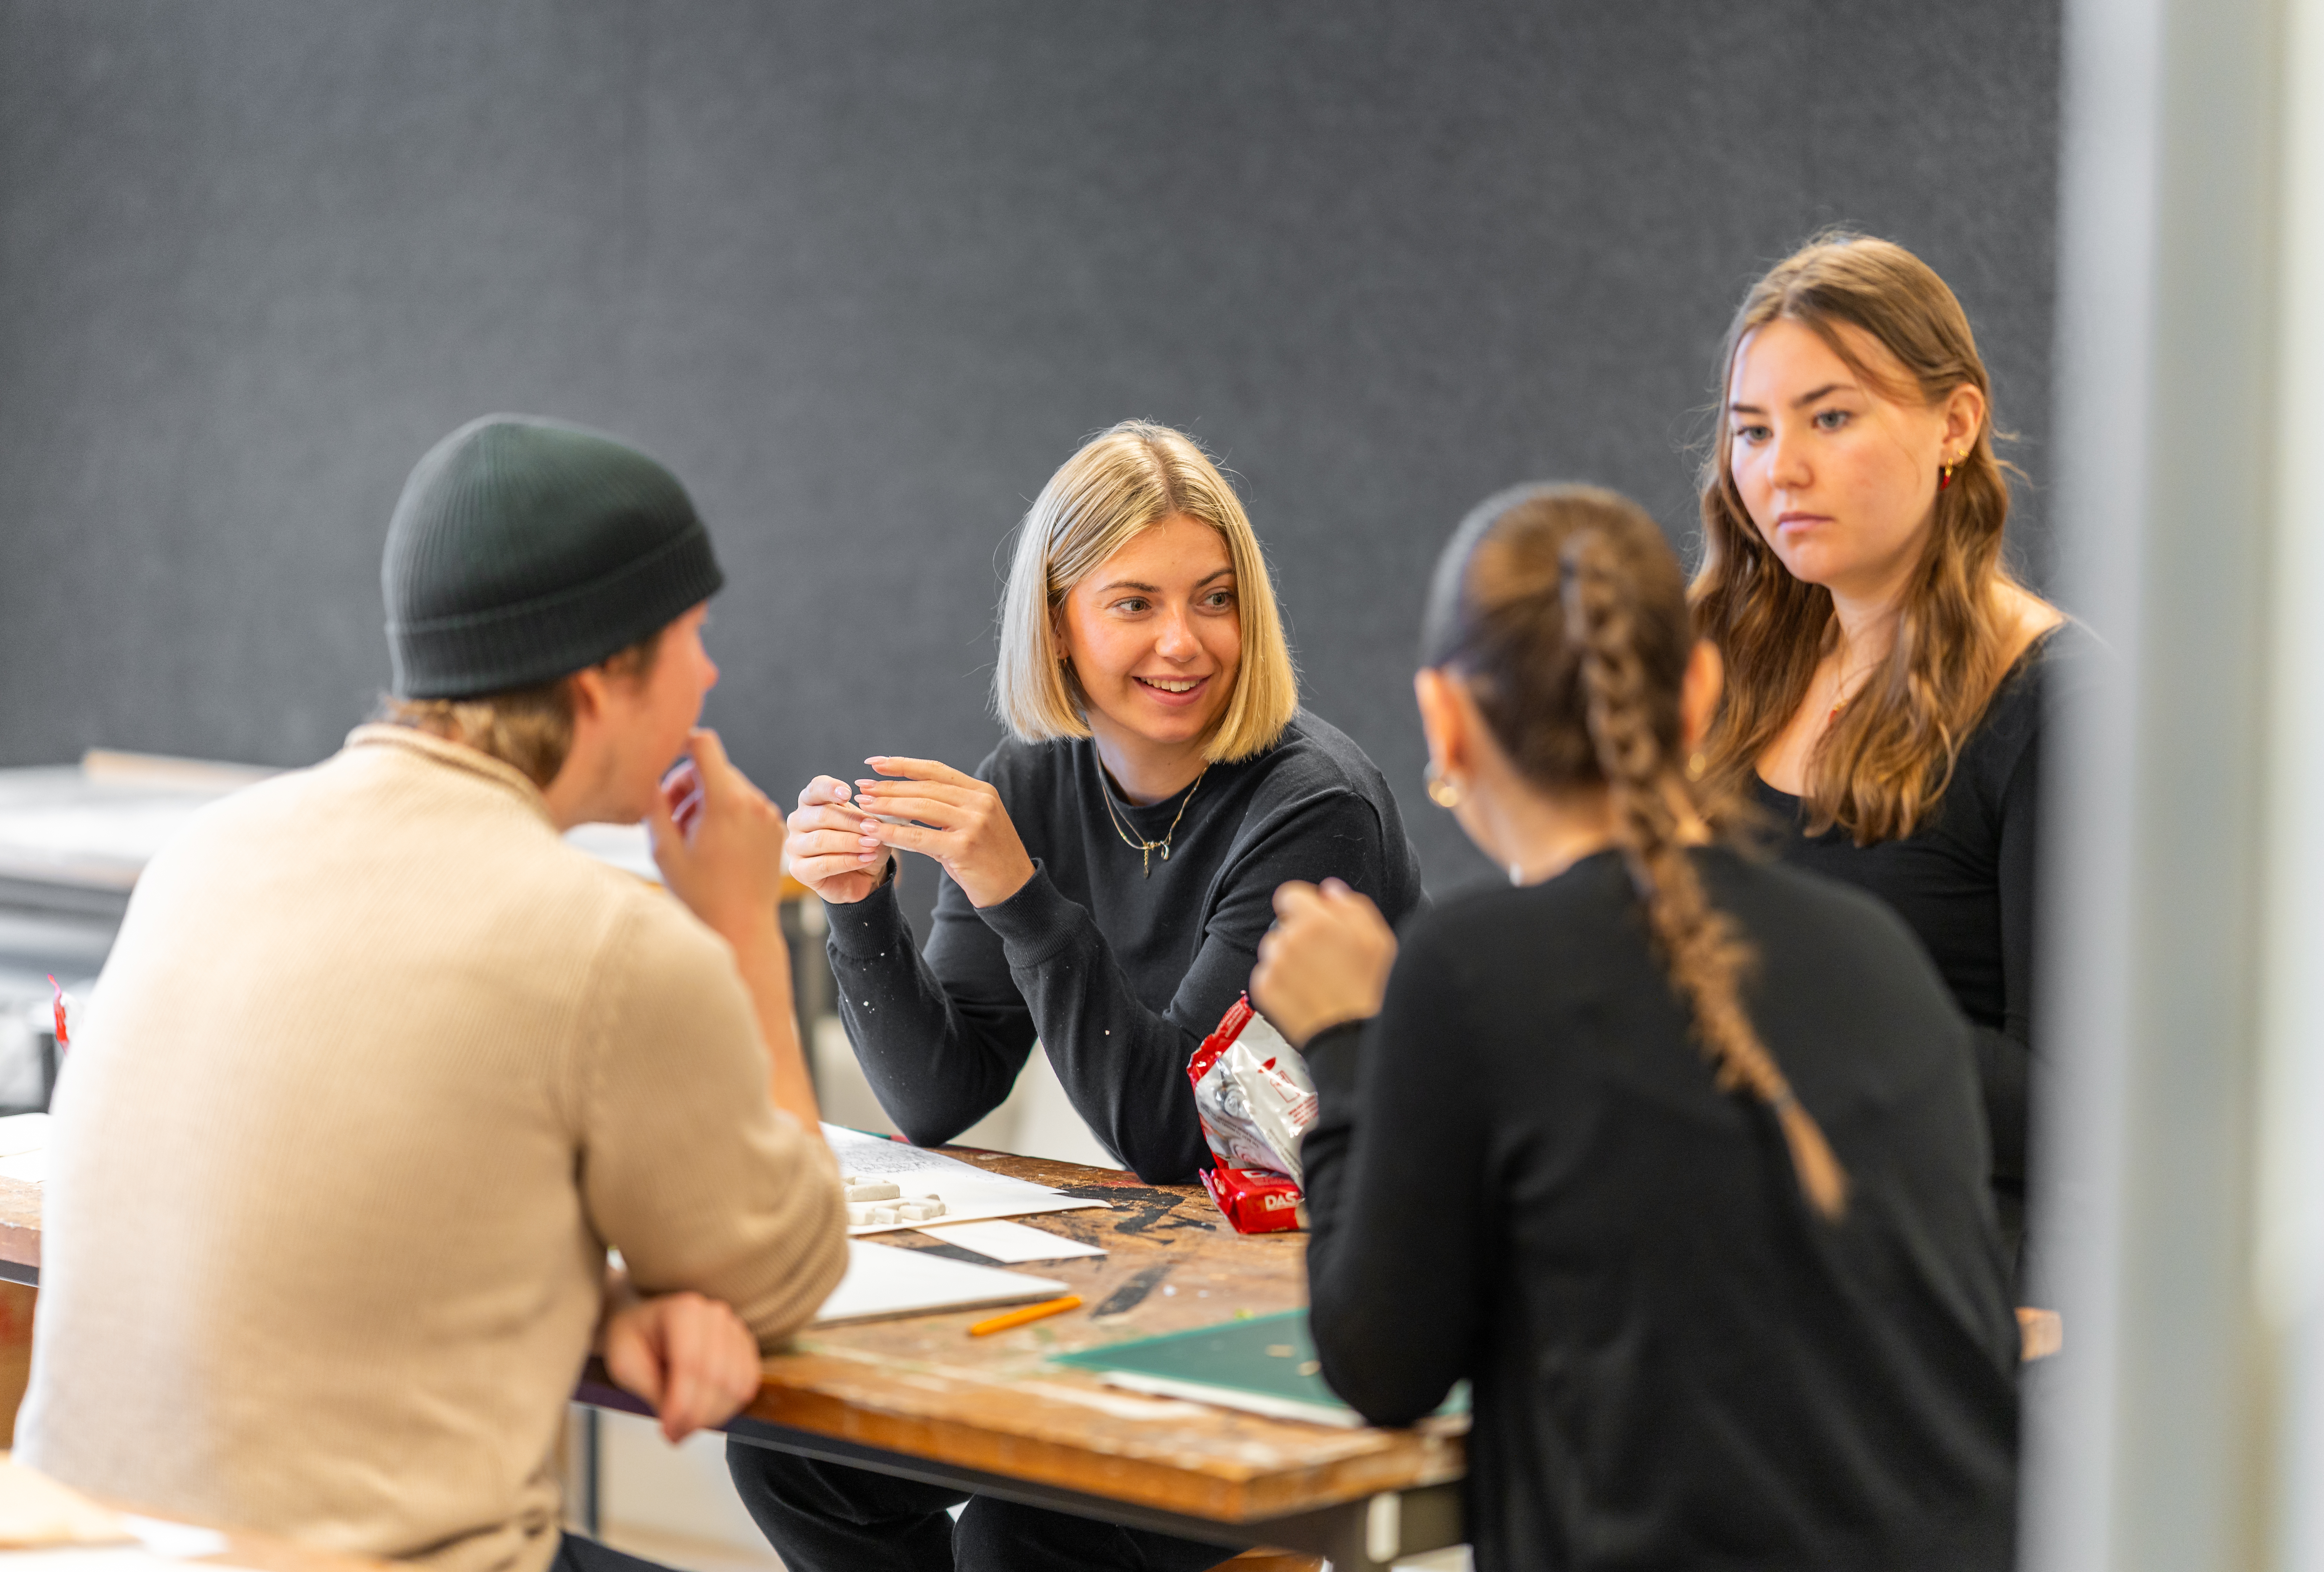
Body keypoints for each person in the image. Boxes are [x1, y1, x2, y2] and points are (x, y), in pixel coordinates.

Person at [18, 416, 849, 1572]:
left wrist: (598, 1301)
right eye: (691, 635)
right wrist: (747, 927)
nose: (709, 672)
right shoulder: (609, 945)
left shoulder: (207, 853)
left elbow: (357, 1220)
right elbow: (785, 1276)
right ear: (603, 674)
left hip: (90, 1550)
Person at [1251, 484, 2020, 1571]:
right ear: (1700, 691)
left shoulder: (1467, 969)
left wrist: (1346, 1042)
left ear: (1445, 717)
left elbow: (1381, 1365)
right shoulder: (1876, 953)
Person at [729, 420, 1424, 1572]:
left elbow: (1173, 1134)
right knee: (789, 1448)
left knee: (1024, 1531)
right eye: (1134, 603)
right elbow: (941, 1092)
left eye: (1214, 599)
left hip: (1332, 1290)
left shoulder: (1312, 805)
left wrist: (1017, 890)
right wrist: (859, 905)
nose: (1184, 642)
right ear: (1057, 621)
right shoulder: (1034, 778)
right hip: (1171, 1276)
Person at [1689, 232, 2078, 1283]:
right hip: (1720, 1253)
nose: (1783, 470)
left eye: (1831, 417)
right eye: (1753, 432)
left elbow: (2081, 1111)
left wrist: (1793, 986)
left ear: (1956, 423)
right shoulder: (1723, 671)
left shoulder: (2052, 702)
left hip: (1933, 1291)